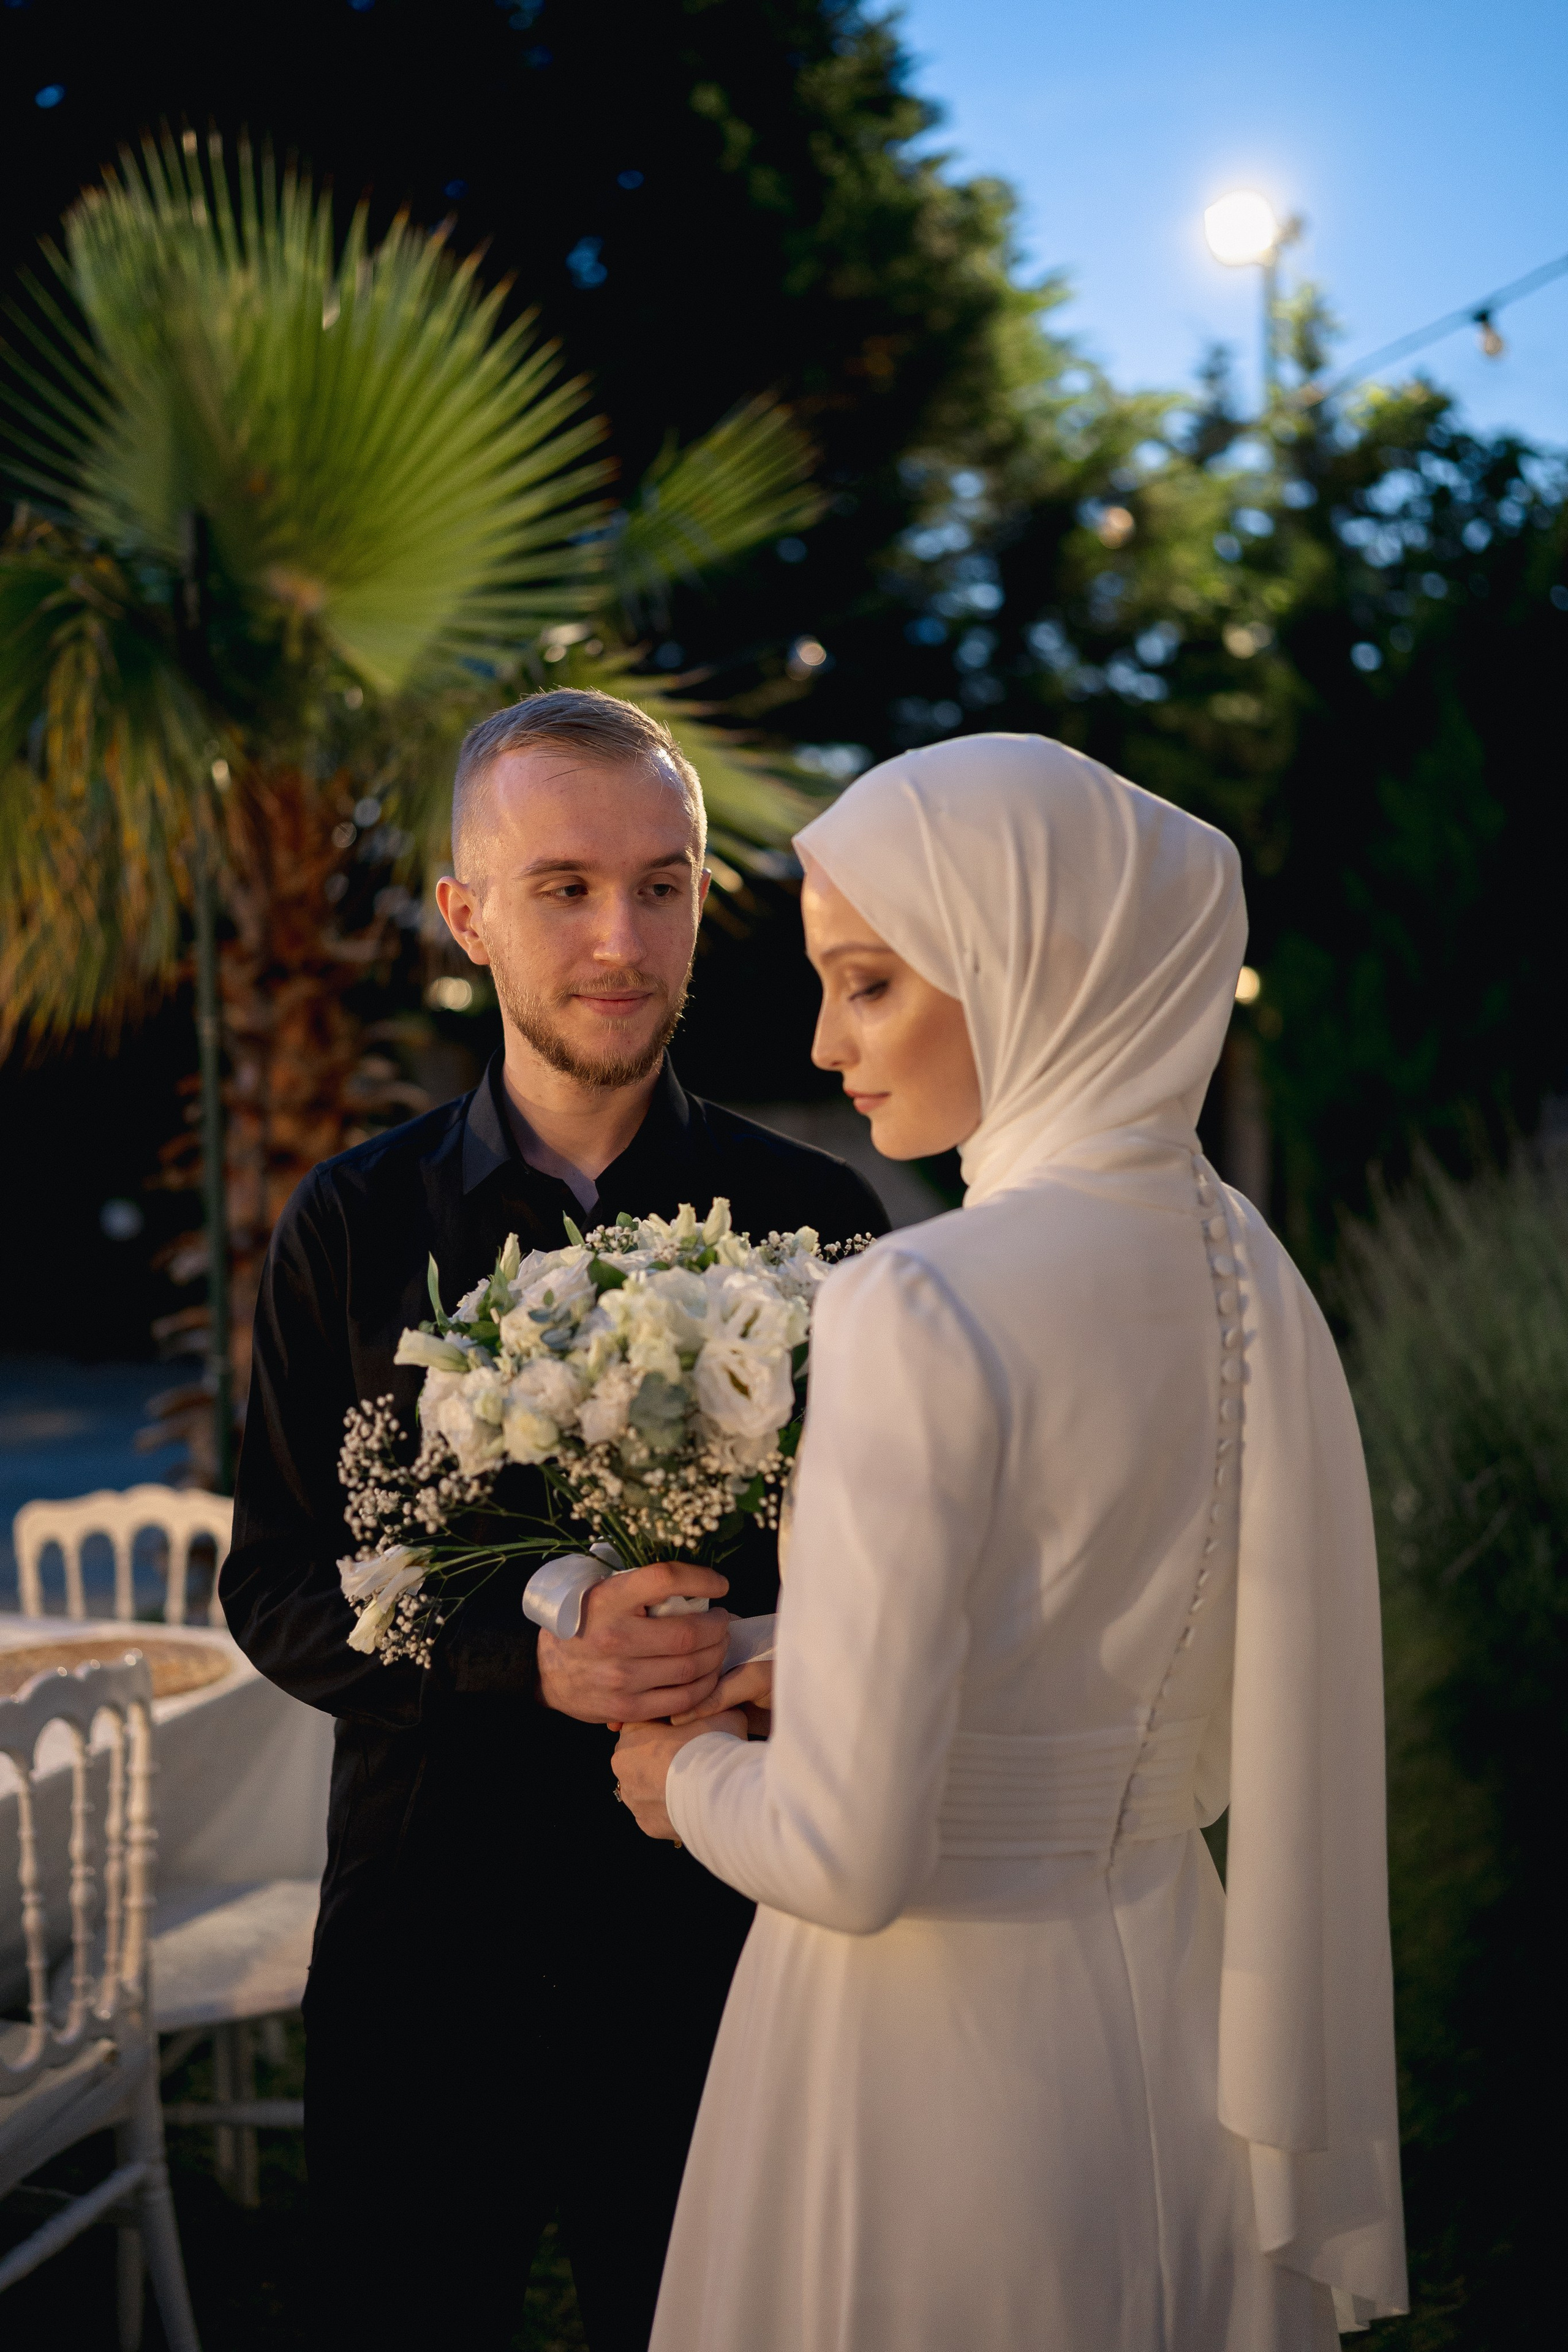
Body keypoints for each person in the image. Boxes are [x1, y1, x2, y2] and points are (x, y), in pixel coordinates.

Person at [614, 732, 1408, 2350]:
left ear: (1025, 966)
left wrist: (678, 1778)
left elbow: (849, 1854)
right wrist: (796, 1657)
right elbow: (1126, 1644)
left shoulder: (924, 1299)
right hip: (1178, 2026)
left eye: (873, 984)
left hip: (928, 2070)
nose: (828, 1041)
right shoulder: (1248, 1275)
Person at [221, 688, 886, 2352]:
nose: (622, 936)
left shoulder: (816, 1224)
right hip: (426, 1946)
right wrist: (532, 1660)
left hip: (724, 1942)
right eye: (564, 887)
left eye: (661, 885)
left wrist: (757, 1652)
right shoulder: (353, 1224)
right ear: (465, 917)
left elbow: (892, 1591)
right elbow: (280, 1586)